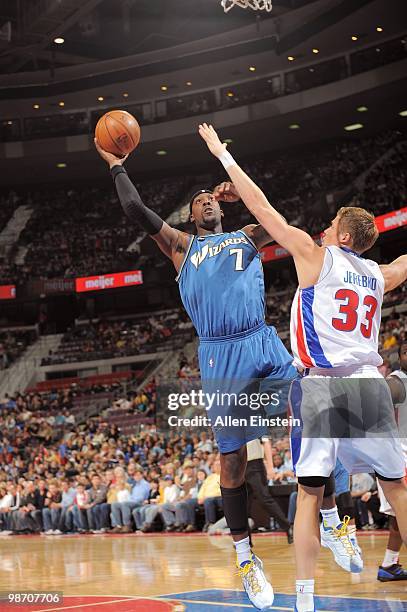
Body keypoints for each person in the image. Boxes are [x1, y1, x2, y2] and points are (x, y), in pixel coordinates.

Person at [198, 122, 407, 612]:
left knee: (309, 494)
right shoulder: (377, 274)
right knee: (397, 487)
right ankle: (340, 538)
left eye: (333, 224)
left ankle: (306, 598)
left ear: (344, 235)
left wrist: (222, 154)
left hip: (324, 386)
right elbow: (403, 264)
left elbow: (262, 207)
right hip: (368, 384)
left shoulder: (316, 256)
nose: (325, 228)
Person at [95, 132, 297, 610]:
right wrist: (115, 166)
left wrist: (234, 182)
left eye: (212, 199)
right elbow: (135, 212)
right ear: (191, 214)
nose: (207, 202)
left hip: (260, 338)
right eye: (199, 200)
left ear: (222, 208)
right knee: (230, 462)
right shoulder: (181, 246)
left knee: (315, 400)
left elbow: (277, 219)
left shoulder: (246, 236)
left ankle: (331, 514)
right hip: (219, 355)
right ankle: (247, 559)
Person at [376, 341, 407, 581]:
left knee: (399, 515)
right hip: (399, 455)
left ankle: (389, 565)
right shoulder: (395, 381)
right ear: (400, 357)